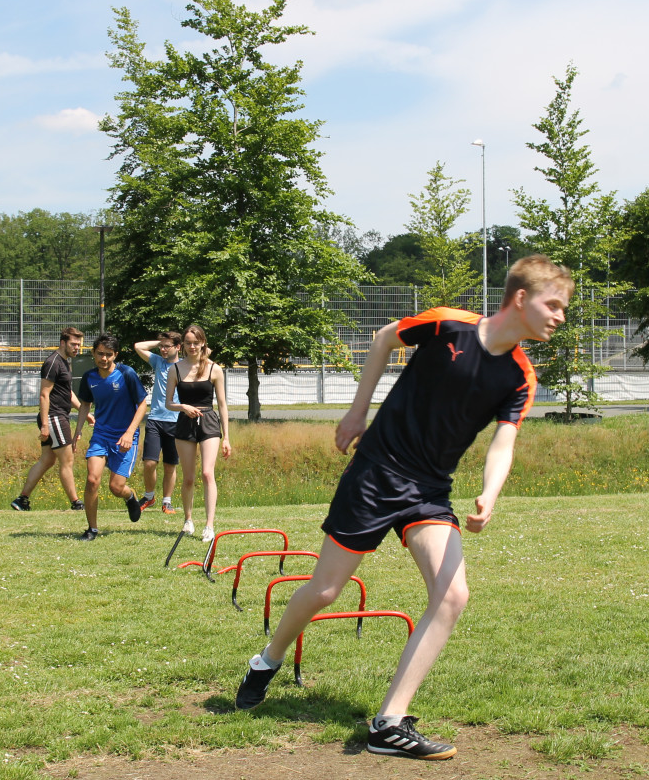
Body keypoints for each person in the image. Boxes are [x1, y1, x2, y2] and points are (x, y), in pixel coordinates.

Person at [234, 255, 573, 761]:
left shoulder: (521, 376)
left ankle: (389, 723)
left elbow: (505, 442)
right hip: (376, 471)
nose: (560, 316)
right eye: (555, 304)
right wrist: (356, 411)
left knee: (452, 595)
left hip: (430, 490)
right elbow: (384, 338)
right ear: (521, 299)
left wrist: (490, 493)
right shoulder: (447, 324)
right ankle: (267, 660)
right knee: (326, 590)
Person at [72, 333, 149, 541]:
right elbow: (85, 404)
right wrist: (78, 430)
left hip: (126, 437)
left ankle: (130, 496)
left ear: (115, 354)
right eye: (99, 354)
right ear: (93, 354)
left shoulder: (126, 374)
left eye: (108, 354)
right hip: (101, 435)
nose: (103, 358)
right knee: (92, 480)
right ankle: (92, 529)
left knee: (116, 487)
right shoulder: (89, 377)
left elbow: (142, 405)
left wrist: (129, 432)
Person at [164, 324, 232, 541]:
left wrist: (227, 437)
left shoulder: (214, 369)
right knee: (189, 478)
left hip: (209, 422)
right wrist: (183, 407)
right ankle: (188, 519)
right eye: (188, 343)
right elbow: (168, 403)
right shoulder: (175, 369)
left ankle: (209, 525)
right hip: (185, 422)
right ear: (182, 345)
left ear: (203, 343)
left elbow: (222, 404)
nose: (192, 346)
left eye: (196, 342)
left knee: (207, 473)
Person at [11, 327, 88, 513]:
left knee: (47, 460)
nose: (77, 348)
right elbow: (44, 395)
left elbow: (66, 392)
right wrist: (45, 425)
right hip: (54, 417)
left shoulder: (64, 362)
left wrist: (83, 410)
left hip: (58, 416)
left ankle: (22, 500)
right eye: (73, 344)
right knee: (67, 460)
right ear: (63, 343)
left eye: (79, 344)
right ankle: (76, 502)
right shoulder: (53, 362)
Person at [133, 331, 184, 515]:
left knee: (170, 465)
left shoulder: (184, 366)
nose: (163, 350)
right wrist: (161, 342)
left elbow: (206, 352)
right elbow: (138, 346)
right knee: (149, 462)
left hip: (176, 421)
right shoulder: (158, 361)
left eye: (167, 346)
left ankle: (167, 502)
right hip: (155, 419)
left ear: (178, 347)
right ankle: (149, 496)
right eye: (161, 346)